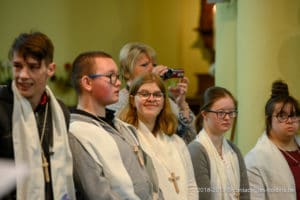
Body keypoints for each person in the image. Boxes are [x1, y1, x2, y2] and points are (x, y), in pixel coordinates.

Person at [69, 51, 163, 200]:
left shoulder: (122, 127)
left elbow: (150, 178)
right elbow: (97, 193)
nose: (118, 83)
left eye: (117, 76)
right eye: (110, 76)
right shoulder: (76, 133)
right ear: (87, 83)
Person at [0, 32, 75, 199]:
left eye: (33, 67)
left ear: (50, 69)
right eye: (17, 66)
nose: (23, 75)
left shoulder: (60, 111)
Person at [119, 73, 198, 200]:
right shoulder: (126, 139)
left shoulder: (177, 142)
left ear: (164, 101)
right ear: (133, 100)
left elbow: (191, 186)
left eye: (157, 94)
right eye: (144, 94)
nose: (151, 99)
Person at [107, 42, 196, 144]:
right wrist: (147, 85)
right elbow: (123, 136)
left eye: (154, 65)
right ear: (127, 72)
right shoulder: (116, 100)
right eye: (144, 65)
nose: (151, 69)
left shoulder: (163, 100)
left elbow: (190, 139)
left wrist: (181, 104)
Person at [188, 86, 250, 200]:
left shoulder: (234, 150)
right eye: (221, 112)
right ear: (205, 114)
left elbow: (245, 194)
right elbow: (203, 196)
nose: (227, 118)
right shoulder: (196, 150)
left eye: (231, 112)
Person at [245, 80, 300, 199]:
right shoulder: (255, 159)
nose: (290, 121)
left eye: (294, 115)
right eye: (282, 116)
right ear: (269, 119)